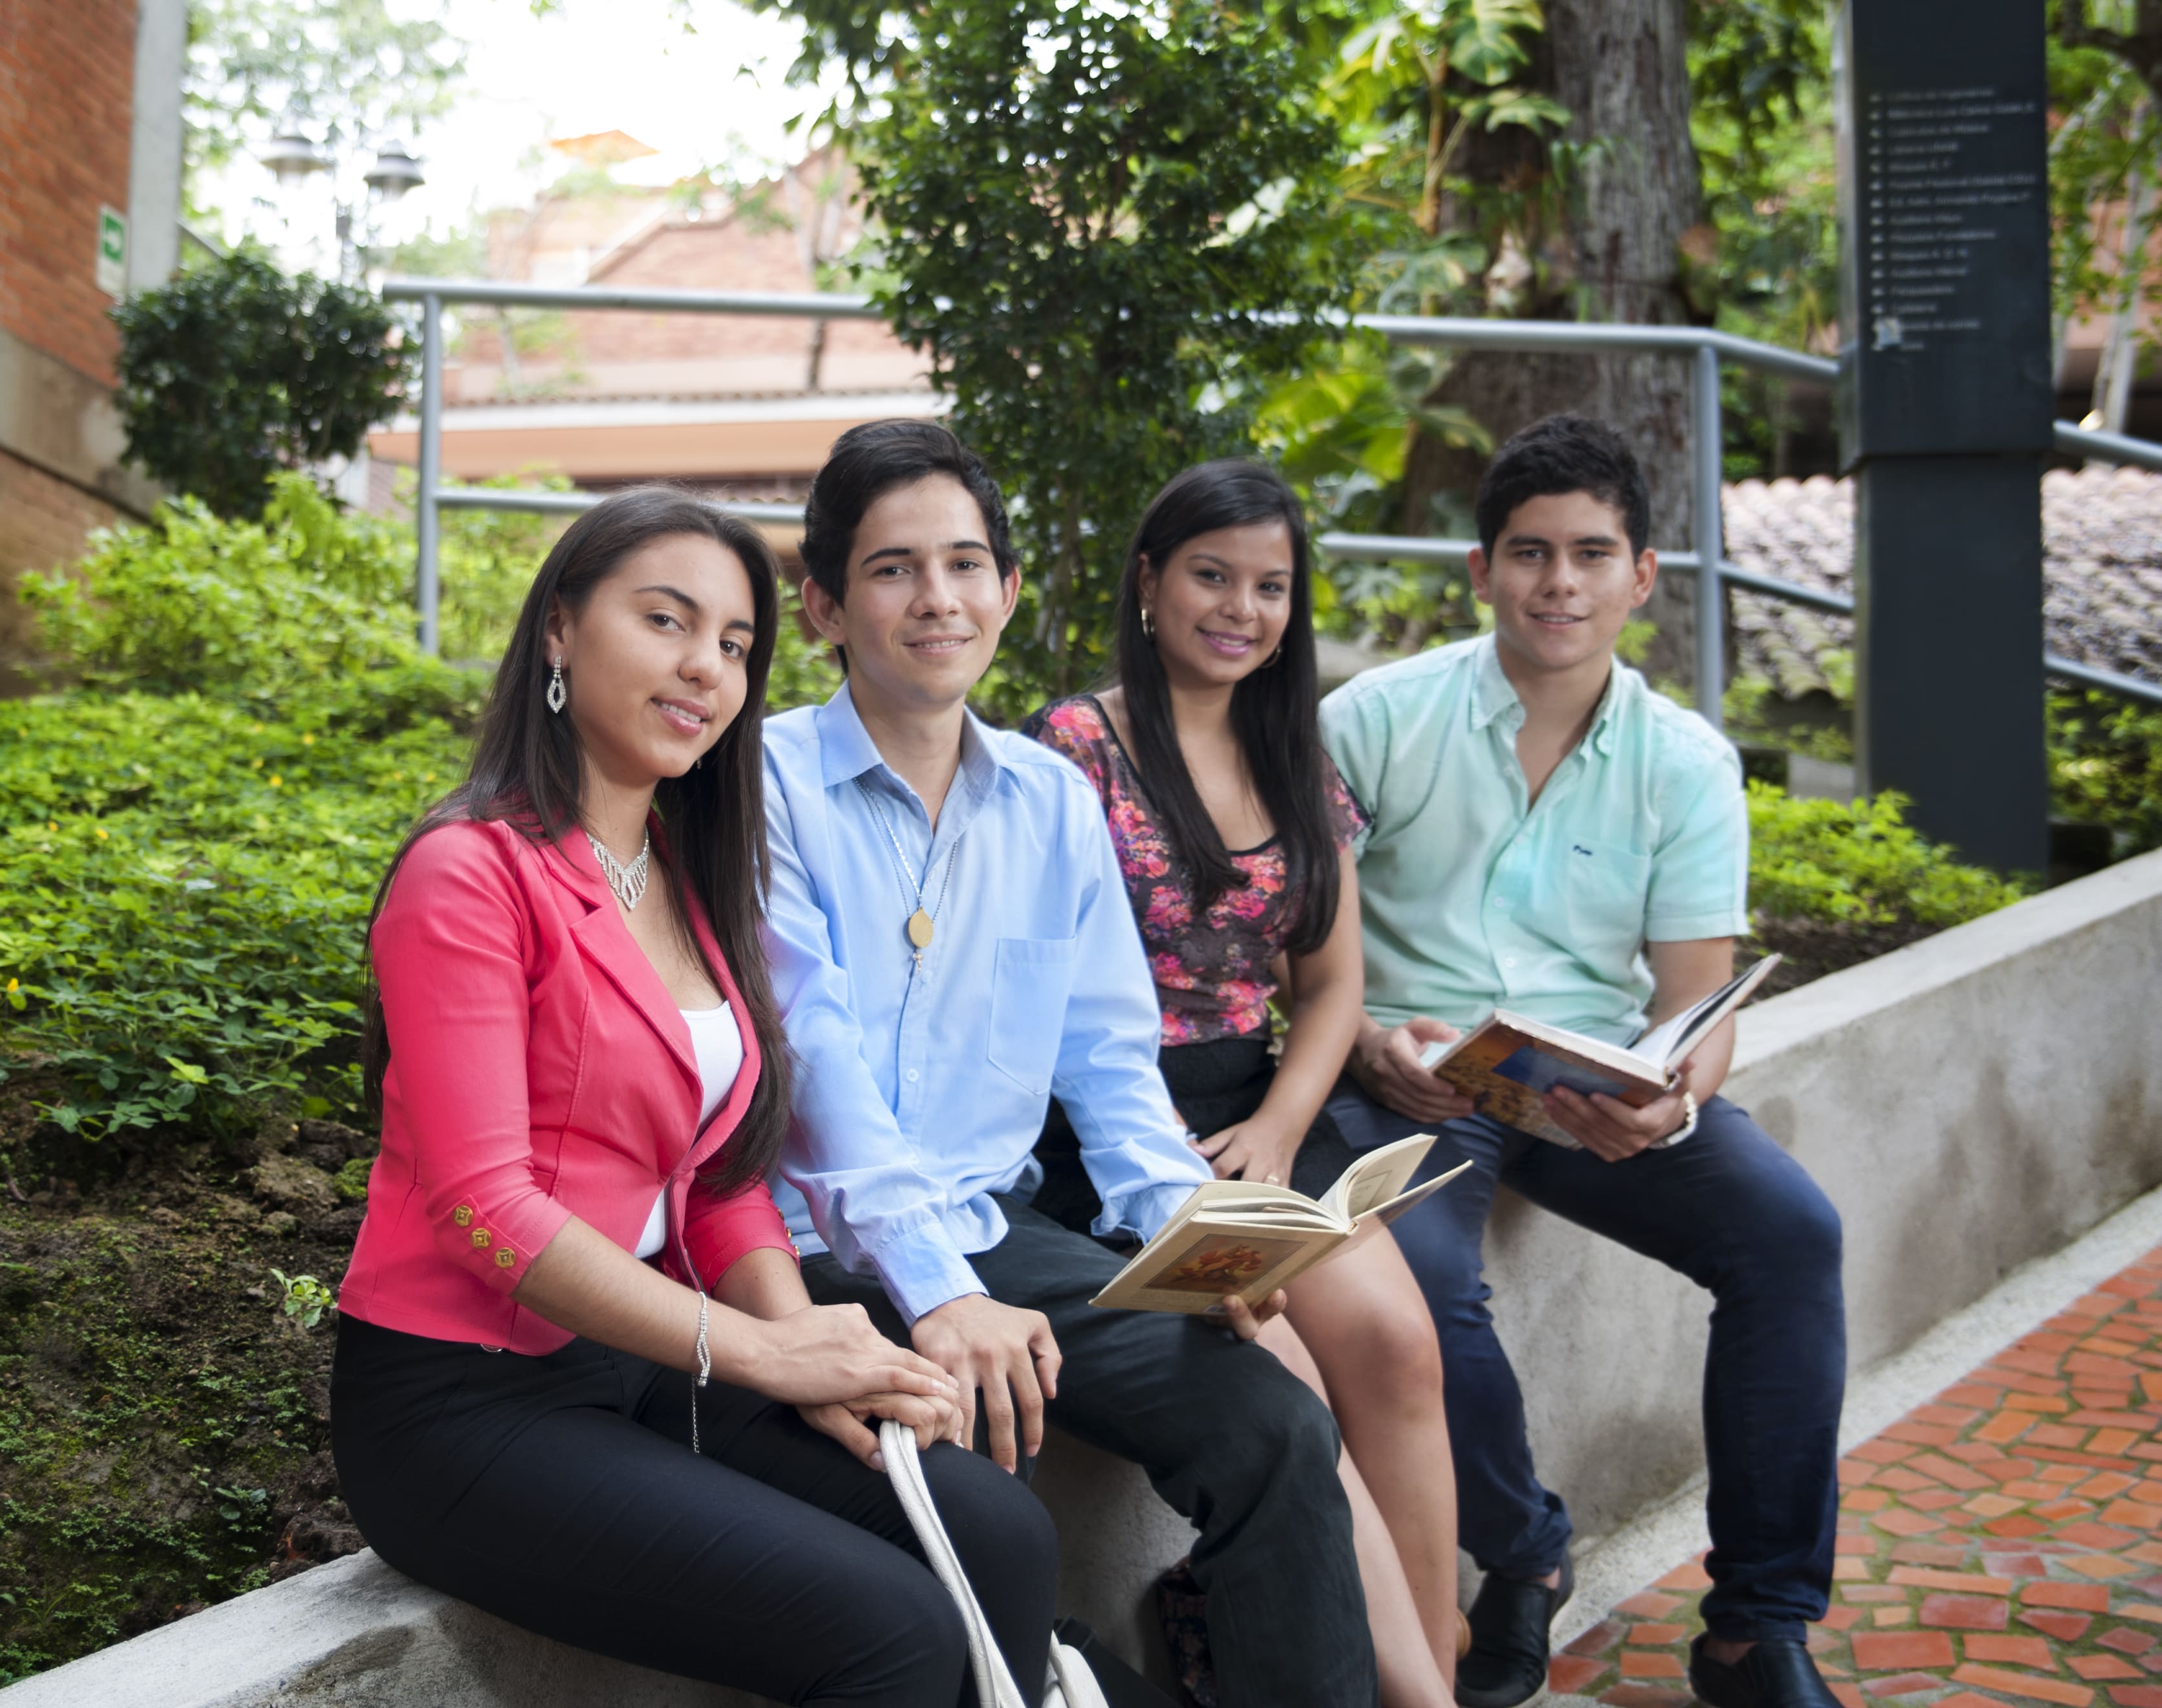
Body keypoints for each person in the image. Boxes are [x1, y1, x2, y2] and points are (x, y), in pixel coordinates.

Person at [331, 486, 1060, 1708]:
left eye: (733, 646)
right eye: (668, 622)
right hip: (464, 1405)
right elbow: (485, 1205)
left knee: (999, 1532)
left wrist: (819, 1351)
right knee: (888, 1636)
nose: (705, 670)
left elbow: (717, 1175)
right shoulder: (469, 873)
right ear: (559, 628)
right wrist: (767, 1354)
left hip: (647, 1360)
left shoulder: (683, 874)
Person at [761, 419, 1379, 1708]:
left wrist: (1189, 1234)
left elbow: (1109, 1058)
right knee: (989, 1498)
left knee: (1271, 1419)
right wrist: (935, 1291)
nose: (938, 598)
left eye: (967, 563)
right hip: (814, 1252)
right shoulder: (759, 790)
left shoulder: (1047, 799)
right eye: (891, 570)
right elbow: (810, 1066)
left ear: (1009, 588)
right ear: (821, 602)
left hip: (997, 1230)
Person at [1318, 416, 1844, 1708]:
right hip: (1411, 1075)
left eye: (1590, 554)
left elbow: (1694, 1000)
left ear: (1642, 574)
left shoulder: (1686, 765)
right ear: (1480, 568)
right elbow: (1302, 954)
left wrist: (1673, 1101)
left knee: (1790, 1235)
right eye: (1529, 553)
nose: (1558, 584)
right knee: (1425, 1292)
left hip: (1579, 1081)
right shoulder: (1371, 722)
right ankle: (1525, 1550)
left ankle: (1754, 1627)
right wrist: (1373, 1040)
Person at [1023, 458, 1458, 1708]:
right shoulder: (1071, 748)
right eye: (1211, 575)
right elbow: (1044, 1000)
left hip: (1256, 1114)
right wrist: (1187, 1144)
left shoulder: (1295, 757)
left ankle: (1428, 1666)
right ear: (1150, 582)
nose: (1241, 608)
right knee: (1291, 1378)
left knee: (1394, 1342)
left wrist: (1276, 1122)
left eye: (1270, 586)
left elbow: (1329, 987)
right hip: (1105, 1128)